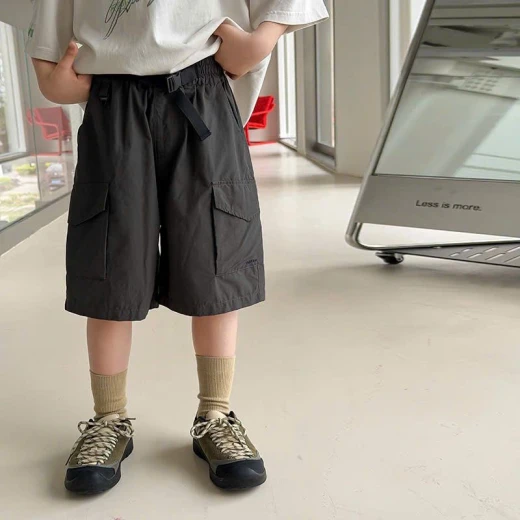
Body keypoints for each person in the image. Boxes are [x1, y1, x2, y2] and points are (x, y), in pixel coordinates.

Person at [27, 0, 328, 494]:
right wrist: (54, 79)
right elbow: (50, 50)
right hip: (113, 101)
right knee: (110, 261)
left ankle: (215, 414)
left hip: (202, 91)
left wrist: (265, 36)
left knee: (215, 259)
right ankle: (109, 419)